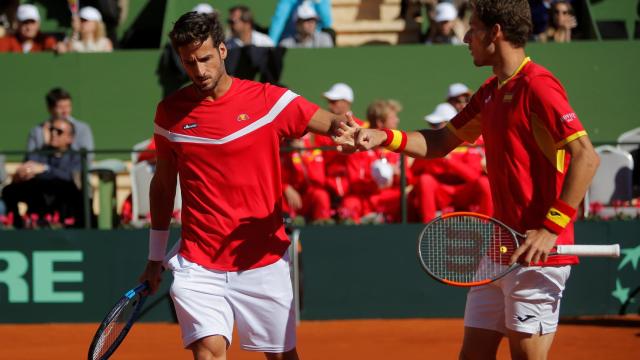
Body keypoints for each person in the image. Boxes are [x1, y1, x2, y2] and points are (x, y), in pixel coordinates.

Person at [342, 0, 600, 358]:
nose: (465, 37)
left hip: (538, 254)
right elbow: (441, 141)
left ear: (495, 32)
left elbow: (586, 156)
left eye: (473, 28)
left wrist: (551, 228)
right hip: (499, 250)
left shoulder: (538, 86)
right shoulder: (491, 91)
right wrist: (383, 137)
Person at [137, 11, 353, 360]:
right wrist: (154, 257)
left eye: (205, 58)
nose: (199, 71)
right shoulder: (170, 113)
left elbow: (326, 121)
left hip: (262, 259)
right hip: (198, 263)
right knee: (208, 351)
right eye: (189, 62)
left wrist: (349, 130)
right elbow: (163, 185)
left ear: (223, 50)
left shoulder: (268, 100)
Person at [2, 117, 83, 228]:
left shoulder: (76, 156)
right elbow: (29, 167)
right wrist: (21, 174)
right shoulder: (40, 152)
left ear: (70, 138)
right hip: (38, 194)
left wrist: (45, 169)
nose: (53, 133)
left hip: (62, 197)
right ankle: (17, 227)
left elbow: (70, 177)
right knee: (9, 190)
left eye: (59, 131)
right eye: (51, 130)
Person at [27, 87, 95, 163]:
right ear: (50, 109)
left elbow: (87, 158)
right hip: (42, 174)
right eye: (60, 107)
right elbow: (30, 159)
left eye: (68, 106)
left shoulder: (83, 128)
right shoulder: (37, 131)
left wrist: (61, 145)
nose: (65, 111)